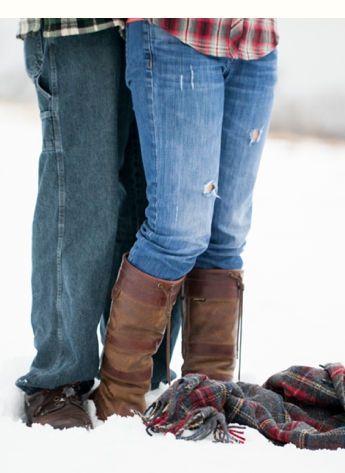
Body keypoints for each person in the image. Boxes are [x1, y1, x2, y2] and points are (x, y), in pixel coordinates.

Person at [91, 18, 279, 421]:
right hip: (179, 29)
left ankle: (207, 400)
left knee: (226, 233)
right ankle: (118, 403)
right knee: (177, 231)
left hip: (256, 40)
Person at [14, 18, 181, 430]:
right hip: (82, 23)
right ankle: (59, 377)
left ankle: (139, 373)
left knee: (155, 203)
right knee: (82, 190)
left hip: (159, 26)